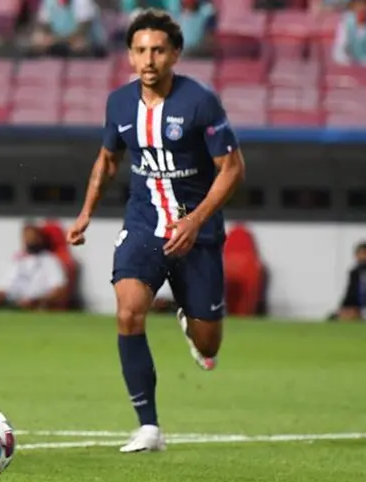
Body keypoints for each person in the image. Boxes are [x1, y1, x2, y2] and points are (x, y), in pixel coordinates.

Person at [66, 8, 245, 453]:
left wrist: (196, 219)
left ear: (176, 54)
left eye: (159, 50)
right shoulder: (119, 104)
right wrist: (86, 212)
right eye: (141, 50)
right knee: (128, 309)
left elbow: (233, 169)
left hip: (197, 229)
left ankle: (192, 319)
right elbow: (108, 159)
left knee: (209, 343)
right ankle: (148, 426)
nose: (149, 59)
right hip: (145, 222)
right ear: (129, 55)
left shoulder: (200, 102)